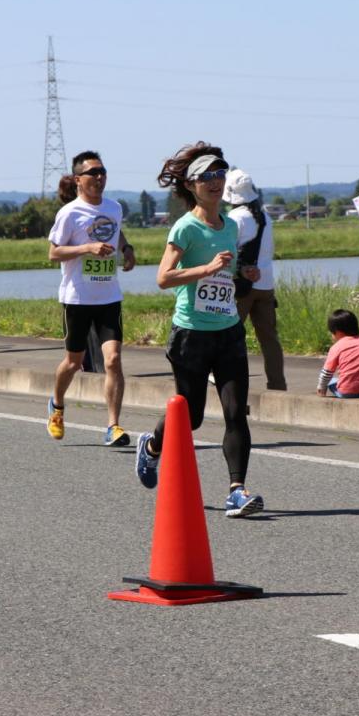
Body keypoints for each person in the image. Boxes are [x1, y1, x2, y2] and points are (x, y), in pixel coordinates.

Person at [133, 142, 263, 518]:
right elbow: (163, 278)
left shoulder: (231, 226)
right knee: (190, 418)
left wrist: (242, 275)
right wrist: (205, 269)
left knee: (236, 411)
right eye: (207, 176)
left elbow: (226, 277)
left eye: (220, 174)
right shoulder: (185, 227)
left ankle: (236, 491)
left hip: (228, 330)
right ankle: (152, 447)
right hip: (191, 333)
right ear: (191, 184)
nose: (216, 182)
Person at [46, 151, 137, 446]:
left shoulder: (114, 207)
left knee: (113, 360)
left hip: (109, 296)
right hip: (77, 298)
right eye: (92, 173)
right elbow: (54, 252)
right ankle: (57, 405)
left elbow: (117, 233)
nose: (99, 178)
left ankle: (114, 426)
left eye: (102, 172)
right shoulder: (69, 213)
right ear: (78, 180)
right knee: (74, 362)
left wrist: (126, 249)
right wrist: (87, 248)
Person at [225, 168, 286, 391]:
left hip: (242, 286)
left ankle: (231, 384)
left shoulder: (234, 218)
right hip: (266, 285)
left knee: (230, 337)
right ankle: (277, 385)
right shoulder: (265, 217)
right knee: (269, 340)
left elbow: (229, 252)